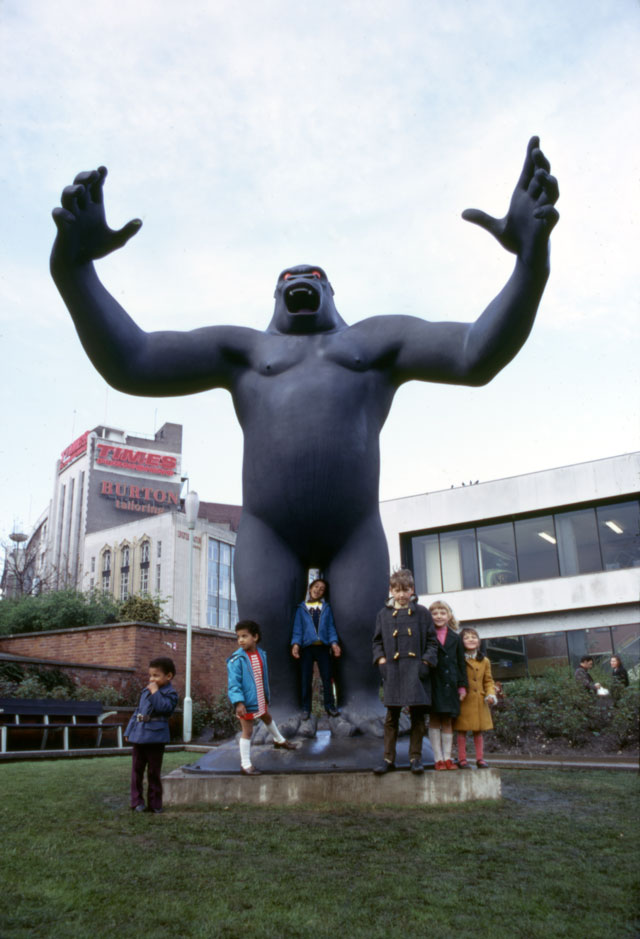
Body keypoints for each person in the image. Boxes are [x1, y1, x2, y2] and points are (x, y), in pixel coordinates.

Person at [50, 137, 559, 728]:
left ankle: (365, 709)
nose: (301, 282)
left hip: (354, 529)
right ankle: (284, 713)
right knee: (278, 684)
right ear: (276, 297)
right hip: (269, 530)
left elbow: (476, 354)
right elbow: (132, 361)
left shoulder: (372, 342)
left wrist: (531, 262)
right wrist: (73, 269)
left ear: (331, 293)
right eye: (289, 279)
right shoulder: (245, 350)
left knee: (368, 678)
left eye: (314, 277)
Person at [372, 569, 438, 774]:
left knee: (418, 717)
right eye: (397, 590)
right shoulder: (383, 614)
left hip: (416, 672)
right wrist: (382, 661)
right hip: (393, 671)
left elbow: (432, 642)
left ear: (412, 590)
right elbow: (377, 642)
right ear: (391, 590)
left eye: (405, 590)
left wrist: (425, 664)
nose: (401, 595)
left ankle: (415, 758)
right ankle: (388, 759)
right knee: (392, 717)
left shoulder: (423, 613)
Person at [227, 619, 297, 775]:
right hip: (245, 702)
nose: (240, 640)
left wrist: (265, 695)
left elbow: (260, 677)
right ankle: (245, 764)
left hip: (259, 697)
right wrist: (239, 702)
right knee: (248, 732)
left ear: (255, 637)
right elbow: (234, 684)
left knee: (266, 716)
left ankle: (279, 740)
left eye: (244, 636)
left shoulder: (261, 654)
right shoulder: (236, 660)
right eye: (238, 637)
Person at [125, 656, 178, 814]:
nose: (151, 679)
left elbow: (164, 708)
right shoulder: (145, 691)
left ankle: (155, 804)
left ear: (168, 676)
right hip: (139, 735)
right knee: (137, 771)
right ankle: (137, 802)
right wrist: (129, 730)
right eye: (150, 675)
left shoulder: (171, 693)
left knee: (153, 772)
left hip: (156, 737)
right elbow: (137, 712)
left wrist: (155, 692)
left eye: (156, 675)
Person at [291, 578, 341, 719]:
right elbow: (298, 629)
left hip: (323, 648)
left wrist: (334, 643)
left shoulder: (326, 608)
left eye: (322, 589)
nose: (318, 590)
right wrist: (296, 644)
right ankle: (306, 709)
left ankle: (330, 707)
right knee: (306, 678)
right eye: (316, 586)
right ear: (310, 588)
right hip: (307, 648)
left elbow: (331, 628)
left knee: (327, 678)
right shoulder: (301, 608)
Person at [428, 600, 467, 770]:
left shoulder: (456, 638)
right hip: (433, 684)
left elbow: (460, 663)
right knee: (434, 719)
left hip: (450, 685)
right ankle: (438, 759)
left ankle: (448, 757)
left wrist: (462, 686)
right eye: (435, 613)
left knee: (448, 721)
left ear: (449, 615)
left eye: (442, 613)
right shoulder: (427, 636)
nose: (438, 616)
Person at [454, 627, 497, 769]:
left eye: (474, 637)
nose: (471, 639)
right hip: (463, 699)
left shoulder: (485, 661)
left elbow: (488, 680)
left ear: (479, 642)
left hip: (479, 700)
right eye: (466, 637)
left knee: (479, 730)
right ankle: (462, 759)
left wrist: (490, 694)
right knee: (462, 730)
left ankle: (480, 759)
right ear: (461, 642)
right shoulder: (458, 659)